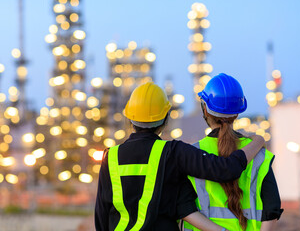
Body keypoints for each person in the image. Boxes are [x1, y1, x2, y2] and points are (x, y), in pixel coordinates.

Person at [95, 81, 265, 231]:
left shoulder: (110, 157)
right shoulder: (173, 152)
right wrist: (258, 141)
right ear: (165, 118)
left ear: (130, 119)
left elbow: (101, 216)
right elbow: (226, 170)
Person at [183, 73, 283, 231]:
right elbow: (272, 208)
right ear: (237, 113)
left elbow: (184, 208)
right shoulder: (259, 155)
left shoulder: (191, 154)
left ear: (205, 110)